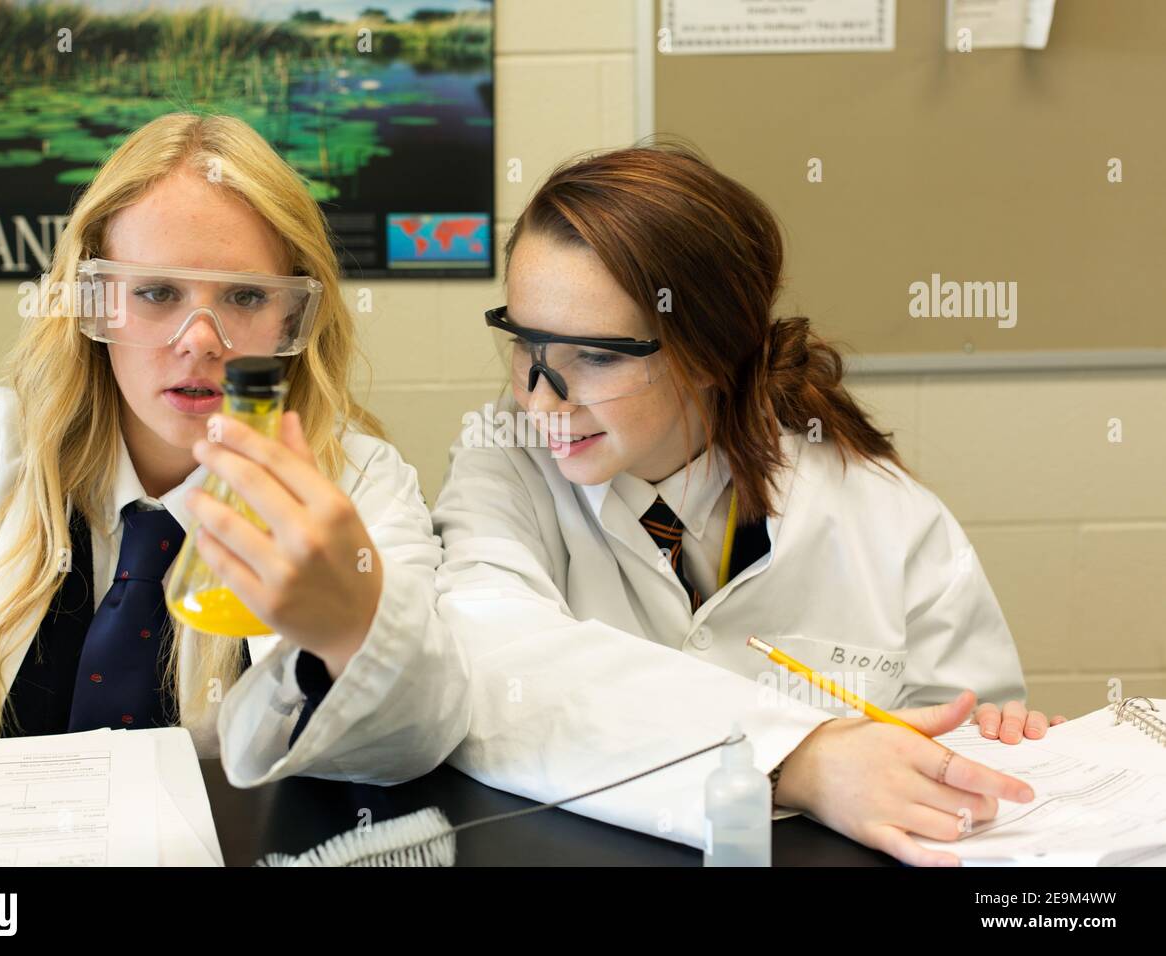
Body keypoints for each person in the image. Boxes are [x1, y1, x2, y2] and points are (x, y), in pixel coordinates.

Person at [432, 144, 1062, 865]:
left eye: (597, 357)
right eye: (525, 342)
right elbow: (481, 659)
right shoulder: (505, 460)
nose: (541, 397)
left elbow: (963, 752)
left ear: (707, 352)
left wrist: (995, 739)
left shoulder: (888, 518)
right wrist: (799, 757)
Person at [0, 112, 469, 788]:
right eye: (156, 292)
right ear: (91, 301)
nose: (201, 340)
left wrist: (352, 632)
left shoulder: (355, 485)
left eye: (244, 295)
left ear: (291, 316)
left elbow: (419, 739)